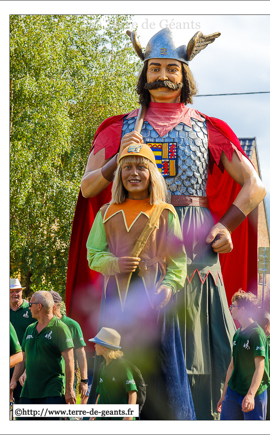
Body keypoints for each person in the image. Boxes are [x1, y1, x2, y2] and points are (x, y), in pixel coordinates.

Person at [65, 28, 266, 419]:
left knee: (201, 341)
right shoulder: (117, 127)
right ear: (144, 74)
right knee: (133, 343)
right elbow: (89, 187)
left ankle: (204, 417)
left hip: (191, 240)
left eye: (171, 68)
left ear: (184, 75)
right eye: (154, 67)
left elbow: (253, 186)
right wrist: (114, 160)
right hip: (132, 234)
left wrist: (226, 225)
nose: (162, 75)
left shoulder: (209, 127)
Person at [86, 144, 195, 419]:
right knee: (115, 361)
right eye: (127, 167)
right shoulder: (106, 213)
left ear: (152, 173)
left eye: (141, 167)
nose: (133, 173)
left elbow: (179, 261)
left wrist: (169, 286)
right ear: (119, 173)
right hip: (116, 302)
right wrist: (115, 263)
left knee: (160, 368)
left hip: (154, 302)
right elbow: (93, 255)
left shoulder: (166, 212)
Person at [10, 291, 76, 419]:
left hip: (52, 392)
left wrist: (69, 390)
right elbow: (23, 358)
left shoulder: (60, 328)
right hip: (28, 391)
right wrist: (13, 382)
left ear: (39, 306)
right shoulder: (30, 328)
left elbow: (70, 360)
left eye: (30, 304)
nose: (29, 308)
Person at [217, 290, 270, 420]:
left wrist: (251, 394)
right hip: (233, 393)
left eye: (233, 306)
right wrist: (224, 395)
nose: (230, 309)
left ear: (243, 309)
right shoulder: (237, 333)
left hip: (253, 393)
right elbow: (231, 366)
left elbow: (260, 368)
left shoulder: (257, 334)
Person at [89, 327, 138, 420]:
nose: (94, 346)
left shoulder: (122, 366)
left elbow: (132, 392)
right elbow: (100, 394)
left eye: (97, 343)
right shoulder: (102, 366)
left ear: (104, 347)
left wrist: (129, 416)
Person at [49, 290, 88, 402]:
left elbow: (81, 354)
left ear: (58, 306)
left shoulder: (72, 325)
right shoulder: (42, 324)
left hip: (68, 376)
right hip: (48, 377)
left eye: (50, 305)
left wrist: (84, 380)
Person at [10, 278, 34, 403]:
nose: (15, 294)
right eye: (11, 291)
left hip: (25, 361)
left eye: (18, 291)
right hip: (8, 361)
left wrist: (26, 368)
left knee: (22, 399)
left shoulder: (30, 310)